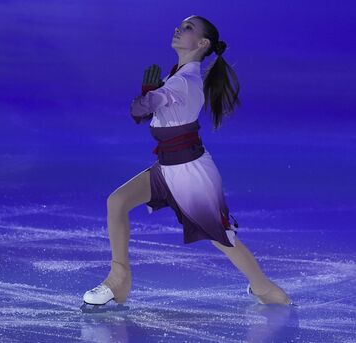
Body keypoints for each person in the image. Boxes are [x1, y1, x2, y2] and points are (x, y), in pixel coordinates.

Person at [81, 15, 293, 310]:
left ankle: (265, 288)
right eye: (180, 26)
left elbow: (138, 110)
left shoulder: (184, 81)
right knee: (117, 202)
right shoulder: (175, 77)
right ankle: (119, 278)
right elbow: (144, 113)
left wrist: (147, 95)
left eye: (188, 28)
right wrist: (150, 95)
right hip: (168, 167)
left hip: (191, 174)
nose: (178, 30)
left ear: (203, 43)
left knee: (222, 238)